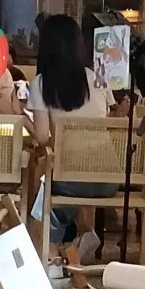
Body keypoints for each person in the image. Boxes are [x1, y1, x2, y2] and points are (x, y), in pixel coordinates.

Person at [26, 14, 118, 263]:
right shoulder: (98, 78)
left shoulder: (41, 83)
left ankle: (51, 247)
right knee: (74, 168)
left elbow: (42, 138)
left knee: (45, 179)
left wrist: (23, 120)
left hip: (72, 179)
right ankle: (85, 232)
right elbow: (107, 117)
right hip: (109, 179)